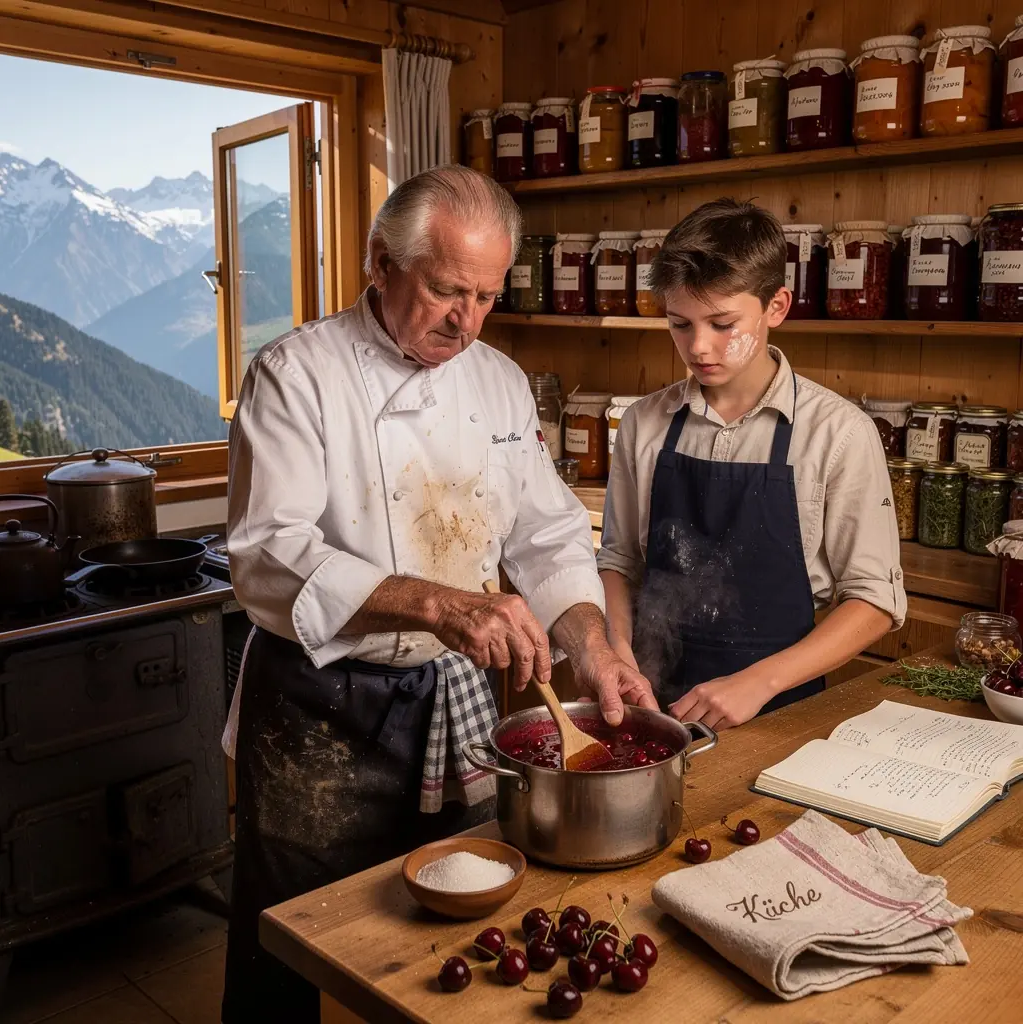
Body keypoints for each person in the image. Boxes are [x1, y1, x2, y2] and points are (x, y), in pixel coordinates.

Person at [221, 165, 655, 1024]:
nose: (468, 320)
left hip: (445, 698)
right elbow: (268, 556)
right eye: (447, 290)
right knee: (288, 937)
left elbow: (547, 536)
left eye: (488, 295)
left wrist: (595, 650)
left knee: (443, 939)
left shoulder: (497, 379)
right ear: (382, 262)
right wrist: (444, 604)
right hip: (318, 705)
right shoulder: (295, 374)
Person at [598, 199, 906, 730]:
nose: (698, 347)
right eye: (679, 323)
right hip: (652, 706)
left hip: (780, 711)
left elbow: (874, 601)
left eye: (722, 323)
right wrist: (618, 651)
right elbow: (619, 562)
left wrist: (758, 683)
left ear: (776, 306)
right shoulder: (644, 424)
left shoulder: (838, 434)